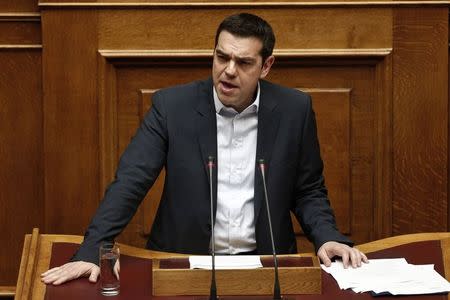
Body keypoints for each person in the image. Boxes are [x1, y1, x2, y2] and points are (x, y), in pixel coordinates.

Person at [41, 13, 368, 286]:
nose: (228, 70)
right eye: (222, 57)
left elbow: (308, 188)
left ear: (266, 66)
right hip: (182, 264)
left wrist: (327, 236)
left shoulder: (294, 109)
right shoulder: (172, 107)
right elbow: (131, 180)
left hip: (268, 267)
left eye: (243, 62)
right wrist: (92, 249)